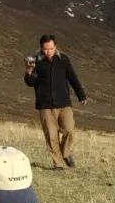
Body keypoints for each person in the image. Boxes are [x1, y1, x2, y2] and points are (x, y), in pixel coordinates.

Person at [24, 33, 88, 169]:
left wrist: (81, 95)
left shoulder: (63, 59)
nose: (49, 52)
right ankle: (59, 164)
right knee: (51, 136)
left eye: (51, 48)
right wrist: (29, 72)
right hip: (45, 105)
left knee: (69, 130)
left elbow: (72, 78)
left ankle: (65, 154)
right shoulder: (36, 62)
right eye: (46, 49)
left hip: (64, 103)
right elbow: (31, 83)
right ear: (41, 48)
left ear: (55, 47)